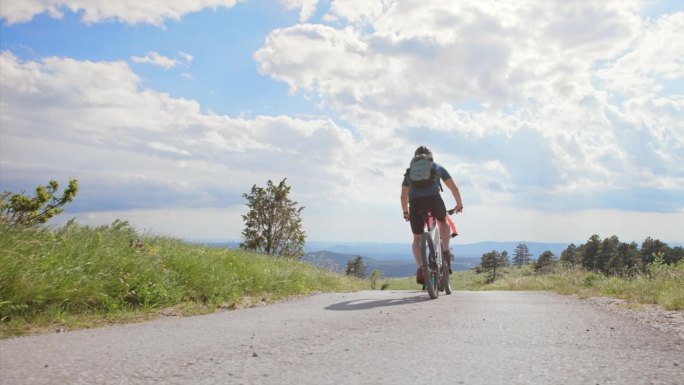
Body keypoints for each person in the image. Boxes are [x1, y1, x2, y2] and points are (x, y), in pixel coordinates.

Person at [400, 146, 463, 284]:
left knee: (417, 239)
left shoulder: (410, 172)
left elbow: (403, 195)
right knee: (442, 221)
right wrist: (459, 204)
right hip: (434, 200)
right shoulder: (436, 166)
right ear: (430, 156)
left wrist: (406, 213)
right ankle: (445, 251)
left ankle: (421, 268)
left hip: (415, 203)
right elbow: (453, 187)